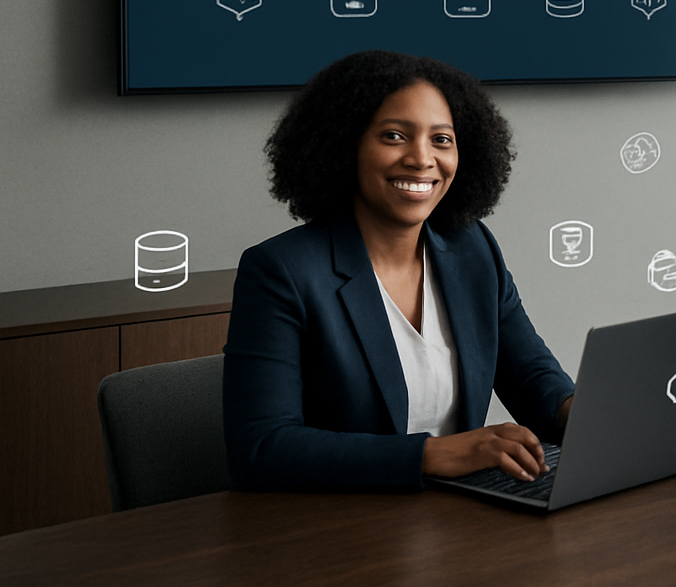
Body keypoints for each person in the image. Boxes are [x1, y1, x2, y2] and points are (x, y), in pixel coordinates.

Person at [224, 50, 574, 490]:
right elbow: (261, 448)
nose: (422, 159)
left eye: (441, 140)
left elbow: (531, 377)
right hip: (336, 530)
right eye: (394, 136)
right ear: (345, 145)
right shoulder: (282, 272)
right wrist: (432, 454)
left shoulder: (473, 249)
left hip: (458, 521)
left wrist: (582, 413)